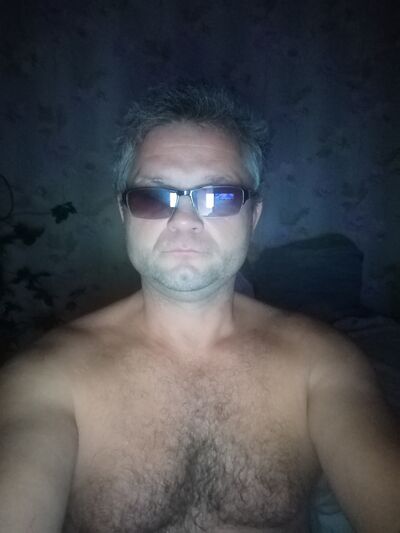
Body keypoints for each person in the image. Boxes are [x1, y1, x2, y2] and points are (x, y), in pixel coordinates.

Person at [0, 85, 399, 533]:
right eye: (155, 197)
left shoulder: (322, 362)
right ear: (124, 214)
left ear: (254, 216)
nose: (185, 221)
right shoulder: (45, 377)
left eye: (219, 196)